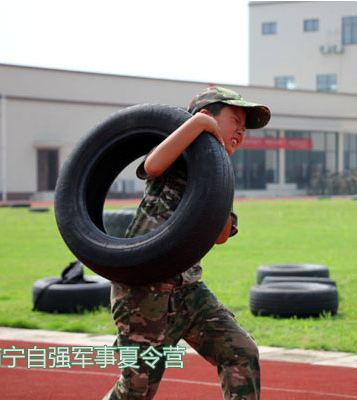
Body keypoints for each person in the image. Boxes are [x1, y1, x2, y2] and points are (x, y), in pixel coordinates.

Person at [103, 87, 271, 400]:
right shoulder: (179, 153)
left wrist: (220, 182)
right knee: (136, 391)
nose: (241, 131)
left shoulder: (220, 173)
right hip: (143, 290)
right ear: (207, 116)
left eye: (245, 127)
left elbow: (221, 236)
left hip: (188, 291)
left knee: (240, 352)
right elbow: (152, 166)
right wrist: (199, 125)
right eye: (235, 119)